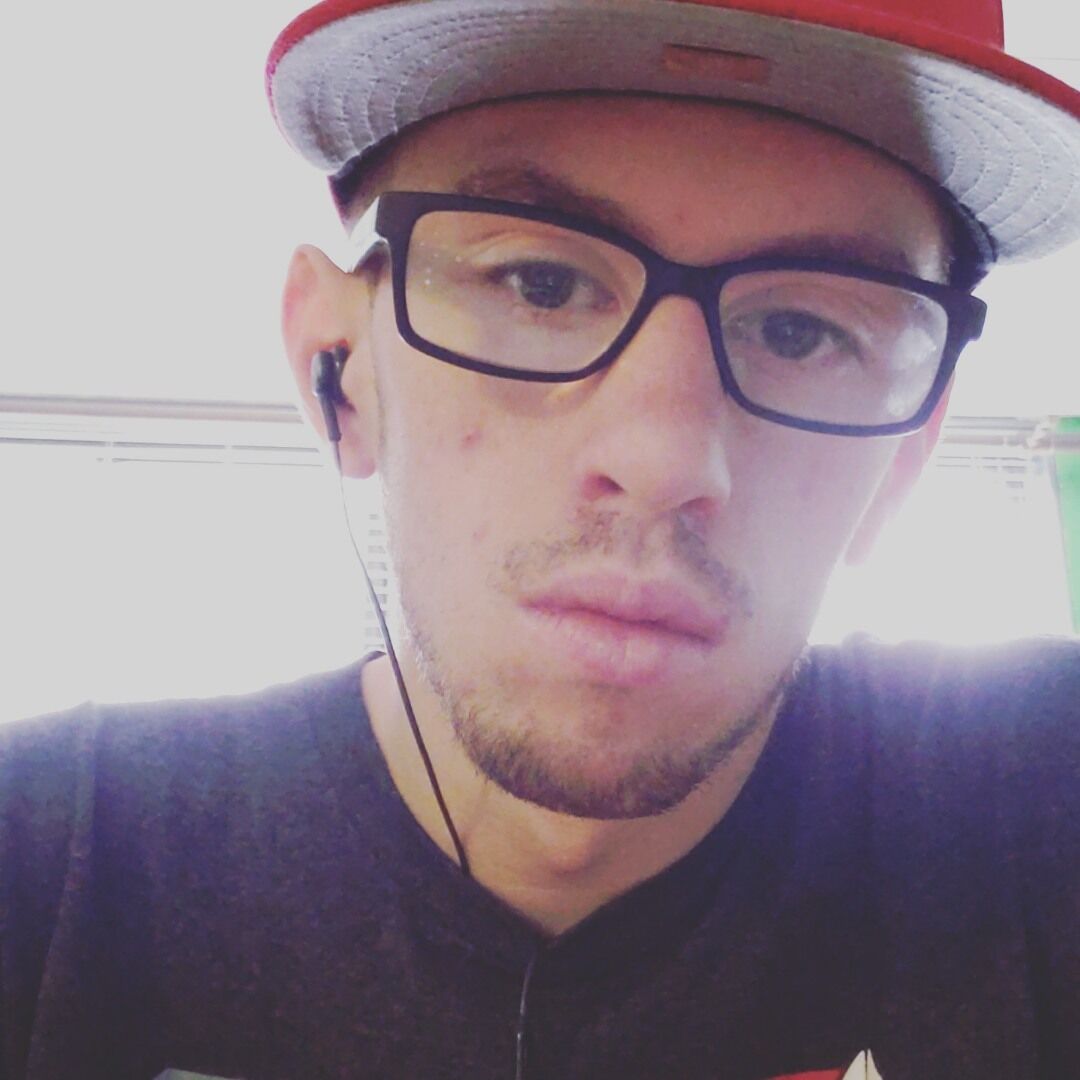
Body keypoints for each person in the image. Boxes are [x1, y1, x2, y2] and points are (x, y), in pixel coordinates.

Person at [2, 1, 1078, 1077]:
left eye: (802, 332)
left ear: (905, 457)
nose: (665, 462)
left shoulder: (1037, 802)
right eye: (542, 283)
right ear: (339, 368)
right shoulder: (44, 863)